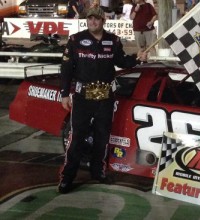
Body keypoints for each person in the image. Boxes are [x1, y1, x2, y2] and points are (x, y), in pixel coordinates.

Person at [58, 5, 148, 194]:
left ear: (103, 21)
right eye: (90, 19)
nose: (93, 22)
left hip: (106, 98)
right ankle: (67, 177)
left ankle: (98, 171)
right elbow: (66, 69)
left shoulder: (113, 40)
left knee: (102, 137)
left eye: (97, 19)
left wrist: (137, 58)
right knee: (76, 139)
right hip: (82, 98)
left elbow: (122, 61)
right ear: (87, 20)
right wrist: (65, 93)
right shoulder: (75, 40)